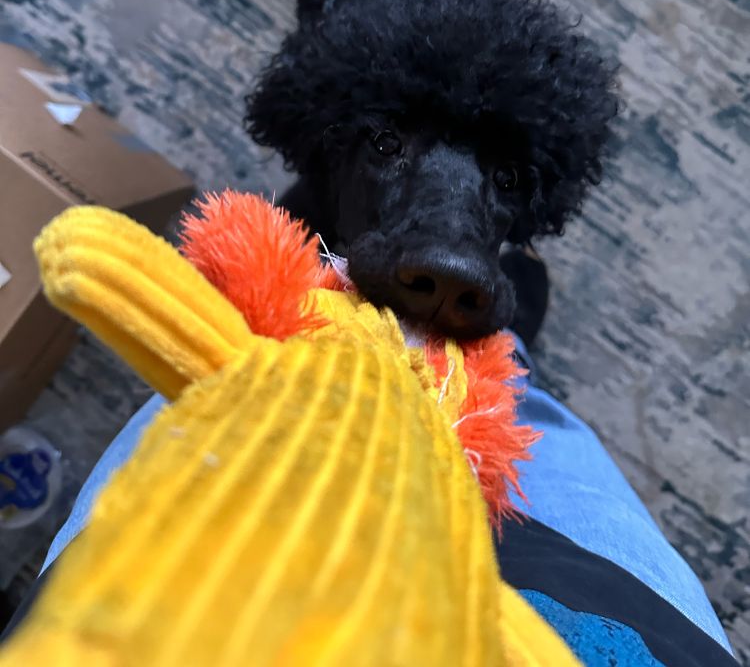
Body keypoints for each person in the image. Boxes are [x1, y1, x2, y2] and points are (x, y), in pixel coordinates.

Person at [1, 253, 736, 665]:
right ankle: (499, 346)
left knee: (265, 360)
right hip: (613, 618)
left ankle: (377, 297)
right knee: (534, 424)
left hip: (196, 564)